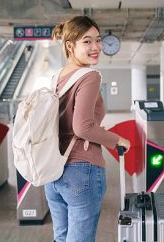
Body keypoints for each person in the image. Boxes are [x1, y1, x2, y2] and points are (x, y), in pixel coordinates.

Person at [45, 15, 131, 242]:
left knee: (61, 237)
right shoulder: (90, 76)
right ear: (70, 46)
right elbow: (82, 127)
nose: (96, 47)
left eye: (98, 40)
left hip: (53, 172)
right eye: (87, 41)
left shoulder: (57, 77)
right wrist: (117, 140)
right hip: (81, 169)